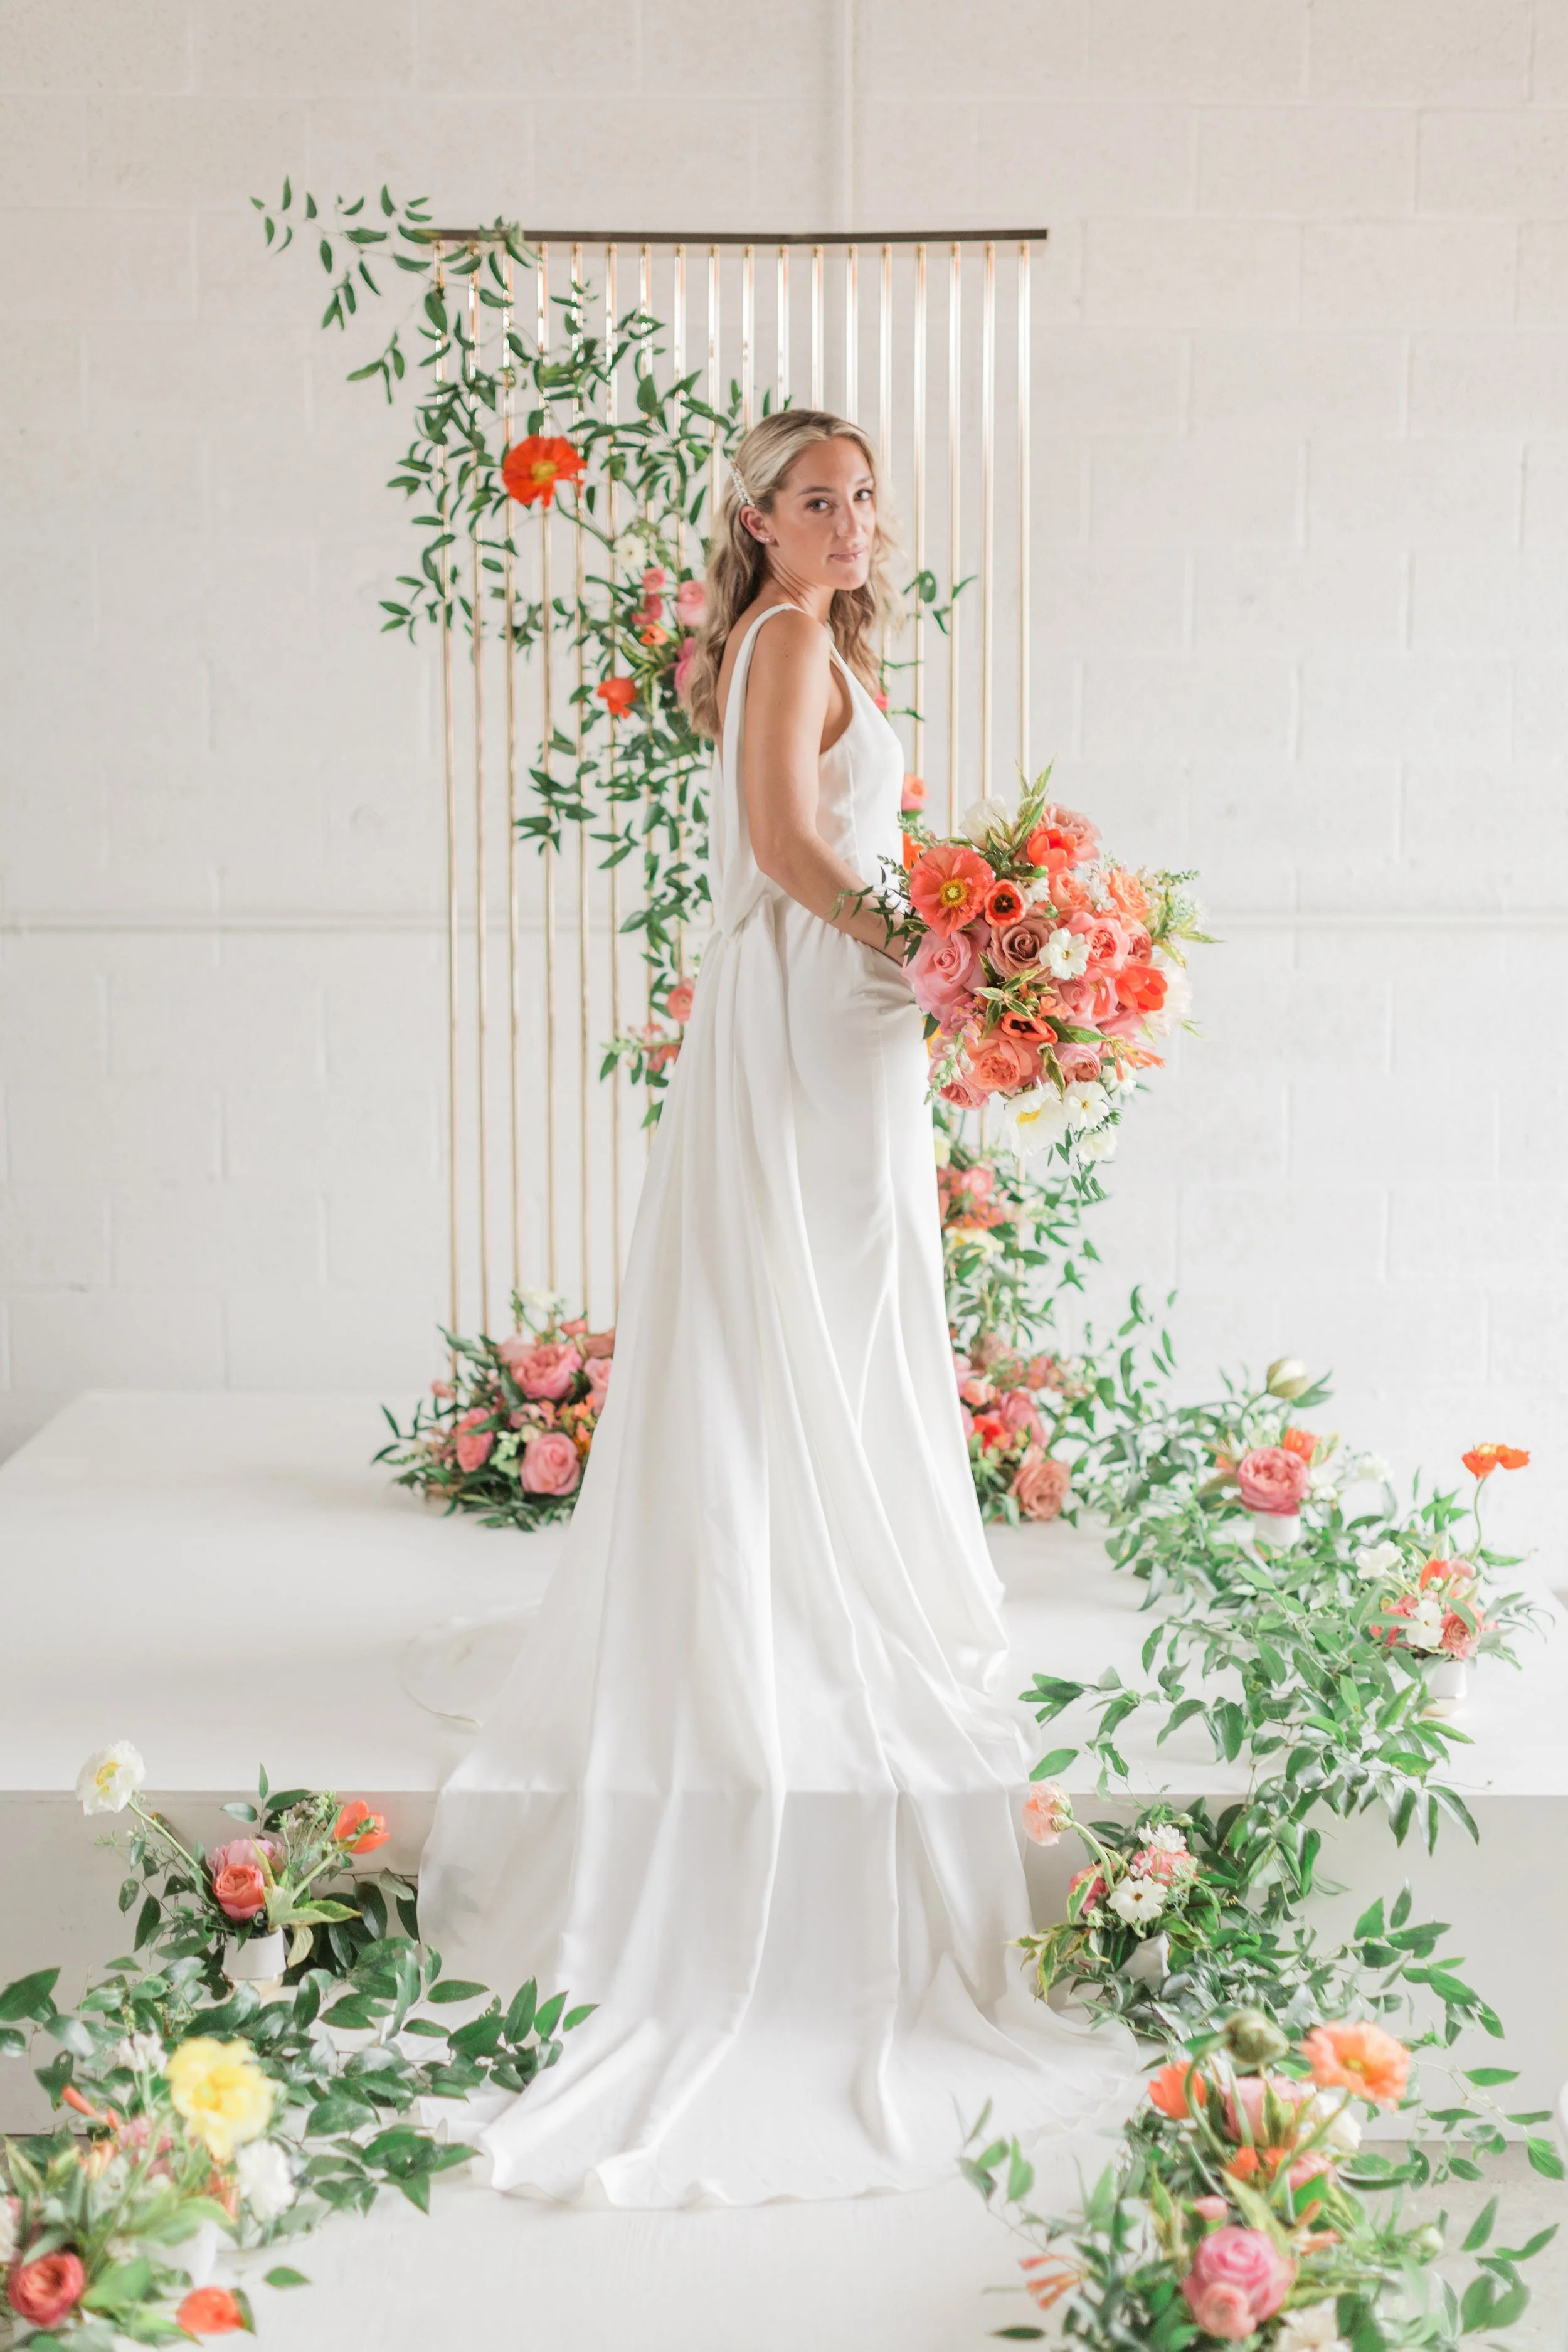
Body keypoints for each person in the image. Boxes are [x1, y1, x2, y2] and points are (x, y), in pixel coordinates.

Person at [415, 410, 1130, 2208]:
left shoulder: (810, 640)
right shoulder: (787, 635)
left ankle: (839, 1550)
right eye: (818, 497)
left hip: (841, 1008)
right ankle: (799, 1592)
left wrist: (963, 930)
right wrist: (937, 936)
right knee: (822, 1290)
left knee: (856, 1290)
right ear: (756, 520)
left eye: (865, 494)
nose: (851, 517)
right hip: (820, 1003)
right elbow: (778, 848)